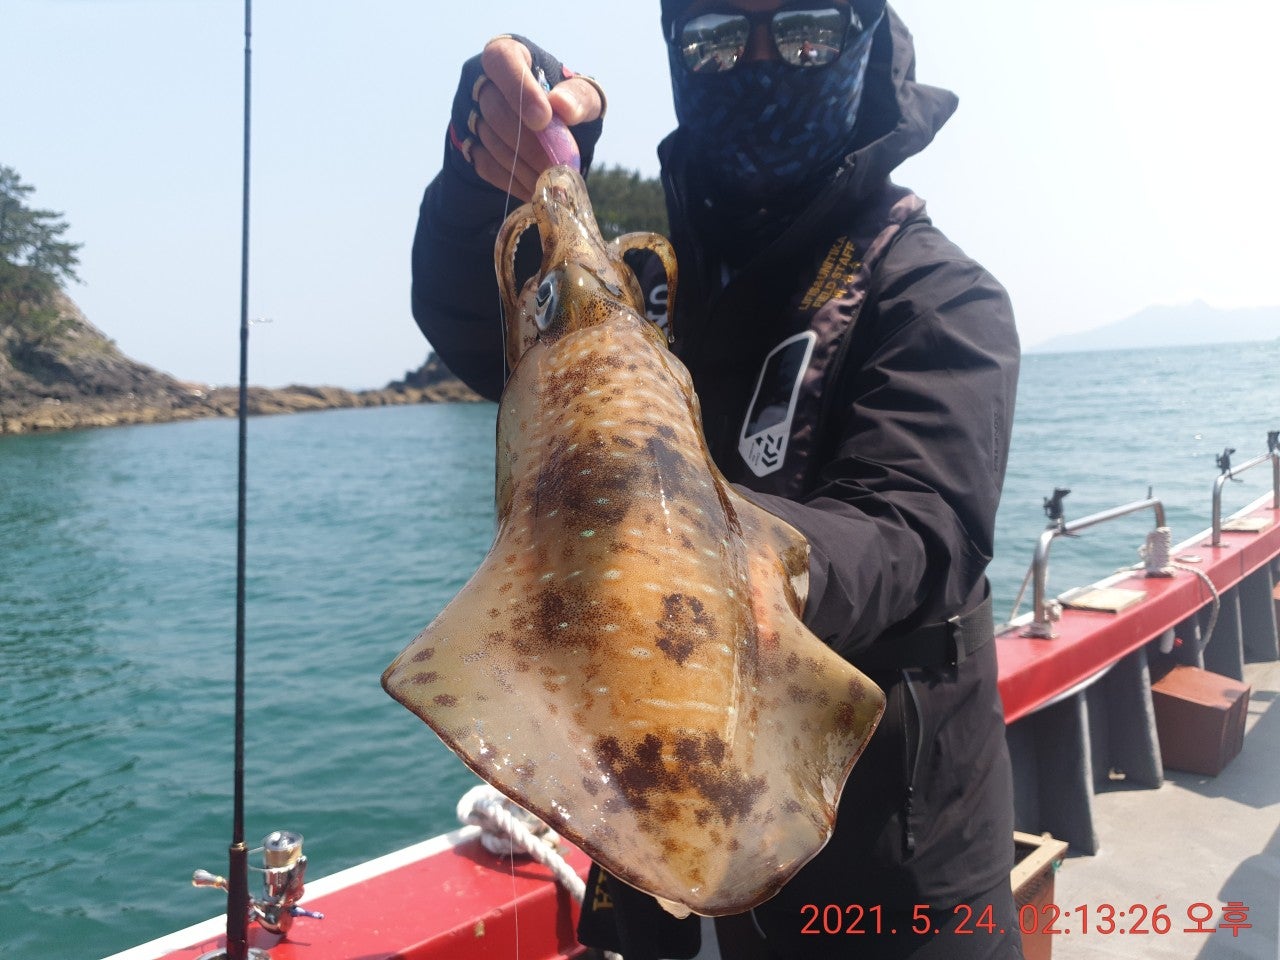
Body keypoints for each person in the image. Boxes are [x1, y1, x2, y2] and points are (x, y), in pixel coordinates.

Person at [410, 2, 1022, 958]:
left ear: (866, 49)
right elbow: (483, 332)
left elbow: (920, 528)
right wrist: (491, 177)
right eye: (717, 39)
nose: (762, 63)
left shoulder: (939, 295)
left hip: (888, 875)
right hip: (644, 807)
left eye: (809, 31)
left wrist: (716, 555)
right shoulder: (654, 284)